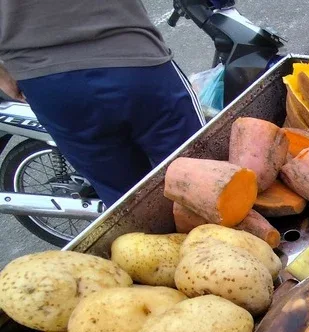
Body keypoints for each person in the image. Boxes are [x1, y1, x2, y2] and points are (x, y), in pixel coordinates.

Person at [0, 0, 205, 206]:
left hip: (46, 80)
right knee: (202, 174)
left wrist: (3, 77)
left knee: (130, 202)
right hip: (133, 57)